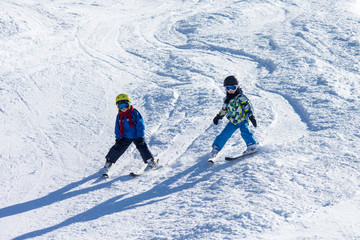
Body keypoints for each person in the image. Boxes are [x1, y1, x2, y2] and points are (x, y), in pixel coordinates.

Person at [103, 93, 157, 176]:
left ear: (129, 104)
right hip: (125, 136)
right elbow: (117, 128)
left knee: (142, 146)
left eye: (125, 105)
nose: (123, 108)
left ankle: (151, 162)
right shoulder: (119, 116)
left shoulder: (134, 113)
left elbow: (140, 125)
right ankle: (108, 162)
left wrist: (140, 137)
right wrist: (118, 139)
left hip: (136, 136)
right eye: (120, 106)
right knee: (117, 148)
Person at [210, 76, 259, 160]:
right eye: (227, 88)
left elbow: (248, 107)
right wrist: (218, 116)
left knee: (245, 131)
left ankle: (252, 145)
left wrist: (251, 117)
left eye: (232, 87)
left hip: (242, 119)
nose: (230, 90)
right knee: (224, 134)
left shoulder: (241, 97)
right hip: (232, 121)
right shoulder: (226, 99)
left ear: (237, 87)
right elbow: (224, 109)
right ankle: (216, 148)